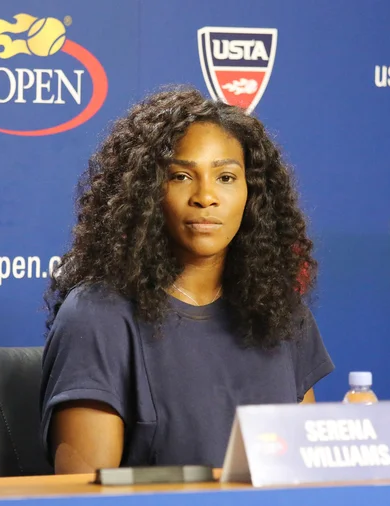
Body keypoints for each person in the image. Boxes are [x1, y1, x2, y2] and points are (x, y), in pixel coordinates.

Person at [40, 87, 334, 474]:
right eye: (180, 176)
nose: (206, 196)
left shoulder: (282, 314)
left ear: (253, 194)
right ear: (146, 193)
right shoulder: (98, 317)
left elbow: (307, 476)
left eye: (226, 177)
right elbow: (83, 497)